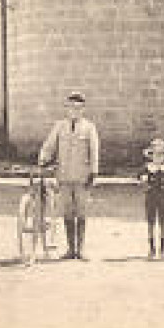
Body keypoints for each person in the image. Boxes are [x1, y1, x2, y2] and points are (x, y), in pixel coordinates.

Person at [38, 91, 99, 259]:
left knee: (82, 211)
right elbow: (49, 146)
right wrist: (43, 159)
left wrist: (93, 173)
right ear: (67, 109)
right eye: (71, 107)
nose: (75, 111)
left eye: (78, 108)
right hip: (63, 176)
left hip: (82, 177)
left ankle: (81, 249)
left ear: (83, 109)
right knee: (67, 212)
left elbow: (94, 151)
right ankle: (70, 249)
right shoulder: (59, 126)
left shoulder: (89, 127)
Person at [137, 137, 164, 260]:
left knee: (162, 223)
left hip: (163, 197)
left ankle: (162, 250)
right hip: (150, 197)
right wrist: (143, 180)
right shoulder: (147, 167)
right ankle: (151, 249)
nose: (158, 157)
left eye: (160, 155)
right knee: (151, 223)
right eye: (155, 154)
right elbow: (139, 175)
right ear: (151, 155)